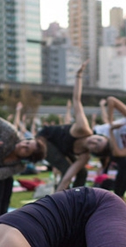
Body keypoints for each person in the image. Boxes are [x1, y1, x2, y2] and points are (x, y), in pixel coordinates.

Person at [36, 61, 95, 192]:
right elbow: (77, 100)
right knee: (65, 168)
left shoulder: (85, 155)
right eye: (97, 139)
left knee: (82, 173)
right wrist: (78, 76)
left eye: (95, 146)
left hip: (60, 148)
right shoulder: (83, 128)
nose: (93, 142)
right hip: (45, 139)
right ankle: (59, 202)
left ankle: (75, 199)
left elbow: (68, 177)